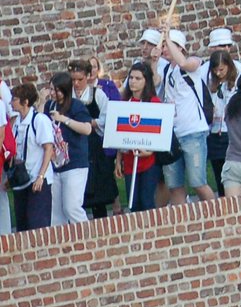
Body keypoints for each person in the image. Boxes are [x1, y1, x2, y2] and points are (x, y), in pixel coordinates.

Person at [156, 29, 215, 204]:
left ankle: (217, 214)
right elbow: (154, 81)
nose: (165, 48)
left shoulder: (193, 63)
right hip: (173, 134)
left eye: (168, 45)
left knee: (198, 182)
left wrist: (167, 37)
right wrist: (153, 60)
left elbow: (184, 63)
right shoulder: (166, 70)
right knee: (174, 185)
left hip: (193, 132)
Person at [67, 58, 118, 219]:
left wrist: (91, 123)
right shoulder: (68, 96)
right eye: (73, 80)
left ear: (88, 76)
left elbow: (107, 117)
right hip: (75, 145)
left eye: (79, 79)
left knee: (97, 190)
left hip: (94, 146)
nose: (76, 83)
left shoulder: (98, 94)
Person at [44, 71, 92, 226]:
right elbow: (40, 124)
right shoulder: (49, 105)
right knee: (56, 213)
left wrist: (64, 119)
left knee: (71, 207)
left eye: (55, 90)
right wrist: (41, 101)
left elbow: (87, 129)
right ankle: (62, 246)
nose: (52, 93)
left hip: (75, 163)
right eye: (50, 89)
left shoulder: (76, 106)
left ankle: (89, 237)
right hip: (56, 165)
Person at [9, 82, 55, 231]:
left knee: (38, 224)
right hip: (22, 180)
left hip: (37, 180)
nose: (11, 102)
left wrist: (41, 177)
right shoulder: (16, 123)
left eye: (14, 99)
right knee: (23, 225)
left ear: (25, 101)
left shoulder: (39, 120)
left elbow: (48, 149)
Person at [117, 62, 159, 212]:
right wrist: (119, 160)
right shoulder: (124, 103)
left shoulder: (154, 102)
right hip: (129, 161)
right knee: (133, 203)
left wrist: (150, 151)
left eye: (138, 78)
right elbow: (121, 134)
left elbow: (159, 133)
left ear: (146, 80)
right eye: (131, 78)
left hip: (149, 160)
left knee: (147, 201)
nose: (133, 81)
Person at [205, 50, 241, 192]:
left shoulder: (236, 82)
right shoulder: (211, 83)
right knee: (219, 174)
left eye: (221, 69)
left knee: (233, 174)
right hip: (215, 133)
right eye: (215, 70)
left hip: (231, 132)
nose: (218, 73)